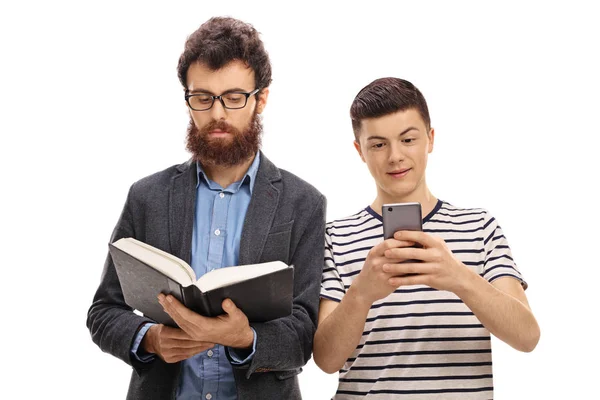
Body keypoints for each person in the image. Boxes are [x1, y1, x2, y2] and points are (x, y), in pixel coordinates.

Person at [86, 17, 326, 400]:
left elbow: (305, 335)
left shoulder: (304, 202)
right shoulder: (146, 196)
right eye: (203, 98)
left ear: (260, 99)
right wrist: (149, 339)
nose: (217, 114)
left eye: (234, 97)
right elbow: (103, 312)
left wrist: (245, 338)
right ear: (188, 99)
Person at [314, 77, 540, 399]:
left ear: (430, 139)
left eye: (408, 139)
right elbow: (326, 360)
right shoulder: (335, 237)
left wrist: (458, 276)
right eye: (378, 144)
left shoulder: (479, 226)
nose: (395, 156)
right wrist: (361, 294)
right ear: (359, 151)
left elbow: (527, 336)